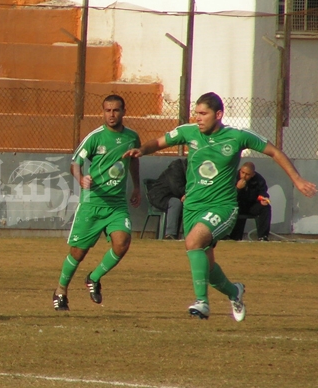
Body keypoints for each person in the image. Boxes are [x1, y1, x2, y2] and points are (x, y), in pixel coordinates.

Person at [123, 92, 316, 322]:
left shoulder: (237, 137)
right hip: (193, 206)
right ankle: (234, 292)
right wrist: (141, 151)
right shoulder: (189, 132)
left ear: (219, 114)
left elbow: (273, 151)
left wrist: (297, 179)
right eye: (196, 113)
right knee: (207, 265)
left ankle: (202, 303)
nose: (198, 118)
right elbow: (160, 142)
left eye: (203, 114)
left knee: (192, 242)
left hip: (223, 206)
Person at [52, 94, 141, 311]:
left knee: (122, 243)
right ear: (103, 112)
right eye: (107, 110)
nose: (111, 114)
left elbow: (133, 162)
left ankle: (94, 277)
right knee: (78, 252)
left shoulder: (132, 137)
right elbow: (75, 162)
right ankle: (61, 290)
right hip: (92, 202)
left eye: (116, 110)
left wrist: (136, 186)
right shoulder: (95, 137)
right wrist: (80, 178)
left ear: (123, 112)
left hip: (116, 204)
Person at [229, 162, 272, 241]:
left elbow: (263, 193)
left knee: (265, 207)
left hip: (251, 205)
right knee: (233, 209)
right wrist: (237, 188)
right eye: (242, 173)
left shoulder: (259, 180)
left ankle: (263, 237)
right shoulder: (233, 177)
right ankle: (234, 237)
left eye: (247, 174)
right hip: (237, 205)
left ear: (253, 174)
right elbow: (228, 196)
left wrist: (263, 199)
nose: (244, 176)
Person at [147, 158, 188, 239]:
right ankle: (170, 234)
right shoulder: (176, 168)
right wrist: (187, 194)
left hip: (173, 195)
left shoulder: (189, 171)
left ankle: (188, 235)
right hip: (159, 196)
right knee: (176, 203)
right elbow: (176, 188)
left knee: (188, 202)